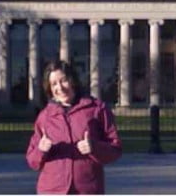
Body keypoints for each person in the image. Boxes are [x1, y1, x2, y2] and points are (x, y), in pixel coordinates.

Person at [26, 60, 122, 194]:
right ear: (49, 89)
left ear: (73, 81)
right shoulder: (45, 117)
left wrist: (94, 147)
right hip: (52, 190)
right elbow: (32, 161)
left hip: (87, 189)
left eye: (63, 80)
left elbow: (115, 149)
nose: (60, 87)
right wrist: (41, 150)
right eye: (54, 84)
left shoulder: (97, 109)